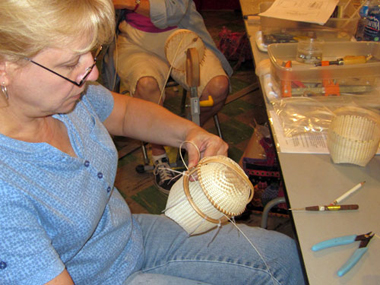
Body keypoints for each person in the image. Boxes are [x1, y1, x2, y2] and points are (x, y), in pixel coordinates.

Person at [0, 1, 305, 284]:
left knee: (284, 257)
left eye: (91, 53)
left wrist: (191, 135)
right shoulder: (6, 189)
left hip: (129, 237)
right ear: (4, 68)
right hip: (98, 277)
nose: (91, 72)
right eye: (70, 64)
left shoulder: (65, 98)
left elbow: (126, 112)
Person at [110, 0, 232, 194]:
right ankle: (159, 156)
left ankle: (185, 135)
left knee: (217, 87)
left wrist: (128, 3)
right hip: (134, 39)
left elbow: (173, 11)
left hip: (181, 33)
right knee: (146, 85)